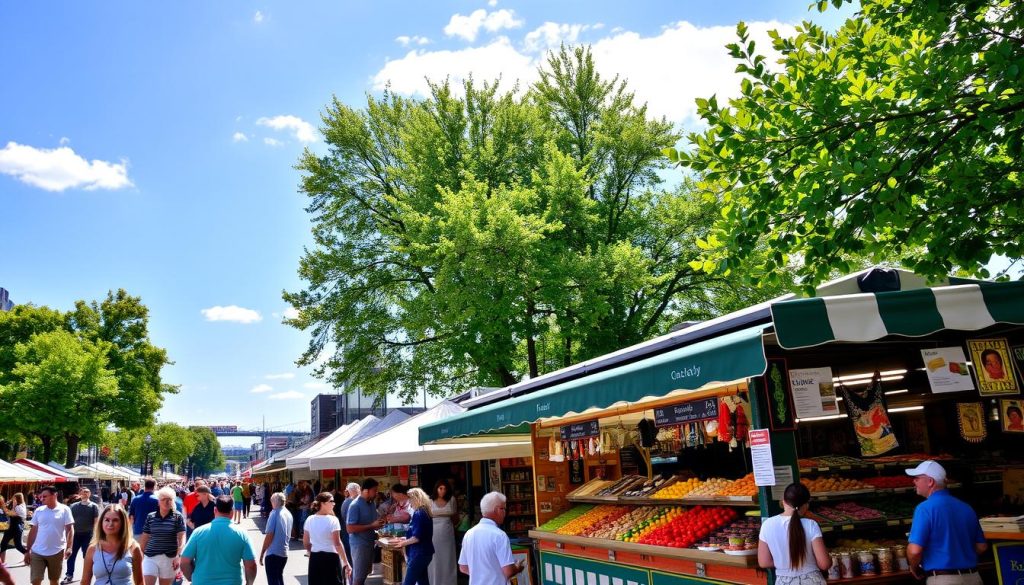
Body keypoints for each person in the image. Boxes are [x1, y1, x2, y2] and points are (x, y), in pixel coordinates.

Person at [905, 460, 986, 583]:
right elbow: (982, 546)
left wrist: (914, 568)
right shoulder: (966, 507)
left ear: (930, 482)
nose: (913, 481)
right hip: (973, 577)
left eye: (917, 478)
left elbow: (914, 551)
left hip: (944, 579)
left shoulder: (924, 508)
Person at [757, 483, 831, 584]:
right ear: (806, 505)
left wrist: (784, 564)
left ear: (783, 502)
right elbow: (824, 564)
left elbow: (764, 562)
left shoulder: (767, 525)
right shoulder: (811, 525)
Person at [180, 496, 257, 585]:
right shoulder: (242, 534)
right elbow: (251, 565)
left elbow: (184, 562)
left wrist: (192, 578)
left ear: (215, 510)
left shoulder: (198, 532)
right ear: (232, 512)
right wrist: (249, 583)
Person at [458, 492, 524, 585]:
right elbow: (508, 571)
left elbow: (463, 567)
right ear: (497, 510)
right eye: (504, 509)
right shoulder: (499, 535)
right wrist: (517, 568)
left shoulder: (469, 534)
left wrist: (481, 574)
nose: (505, 512)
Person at [80, 504, 143, 585]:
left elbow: (140, 582)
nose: (110, 524)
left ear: (123, 523)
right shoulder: (93, 548)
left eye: (115, 520)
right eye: (107, 520)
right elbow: (85, 581)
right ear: (101, 522)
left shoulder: (133, 547)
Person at [26, 485, 75, 585]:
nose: (41, 498)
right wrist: (27, 550)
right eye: (40, 497)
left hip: (57, 551)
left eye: (44, 496)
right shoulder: (39, 511)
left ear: (54, 495)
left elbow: (70, 529)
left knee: (54, 581)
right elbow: (33, 531)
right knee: (35, 580)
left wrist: (69, 547)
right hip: (37, 552)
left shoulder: (65, 509)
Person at [137, 487, 186, 585]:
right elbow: (145, 536)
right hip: (150, 556)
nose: (167, 502)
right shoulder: (151, 516)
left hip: (169, 558)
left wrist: (178, 556)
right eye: (164, 499)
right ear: (159, 502)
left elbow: (182, 537)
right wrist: (139, 554)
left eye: (170, 499)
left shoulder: (177, 517)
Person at [304, 492, 352, 585]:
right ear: (323, 503)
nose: (334, 503)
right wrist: (346, 563)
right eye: (331, 501)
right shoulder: (333, 520)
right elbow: (337, 543)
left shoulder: (309, 519)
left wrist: (312, 551)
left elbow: (306, 542)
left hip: (315, 558)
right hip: (330, 558)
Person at [347, 478, 385, 585]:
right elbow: (350, 528)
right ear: (366, 490)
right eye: (375, 490)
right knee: (358, 578)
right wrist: (372, 525)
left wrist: (380, 522)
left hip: (369, 544)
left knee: (364, 575)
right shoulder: (355, 505)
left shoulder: (371, 504)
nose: (376, 493)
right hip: (360, 545)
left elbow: (374, 521)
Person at [396, 488, 433, 585]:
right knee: (423, 581)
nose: (409, 503)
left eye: (410, 499)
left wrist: (401, 543)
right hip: (425, 553)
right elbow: (420, 534)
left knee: (408, 582)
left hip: (419, 553)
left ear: (415, 499)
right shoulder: (424, 512)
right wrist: (405, 539)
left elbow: (417, 537)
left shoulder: (419, 513)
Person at [66, 488, 102, 584]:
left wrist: (95, 536)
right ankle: (69, 575)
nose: (85, 494)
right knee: (71, 555)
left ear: (90, 494)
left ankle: (87, 577)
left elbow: (96, 522)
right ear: (79, 494)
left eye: (87, 492)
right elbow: (69, 522)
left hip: (88, 535)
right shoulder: (73, 506)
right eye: (83, 492)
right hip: (75, 535)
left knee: (87, 557)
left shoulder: (94, 506)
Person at [428, 480, 457, 585]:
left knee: (448, 557)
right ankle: (434, 581)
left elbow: (455, 516)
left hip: (447, 532)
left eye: (445, 488)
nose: (443, 491)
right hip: (433, 531)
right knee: (434, 557)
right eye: (440, 488)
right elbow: (427, 515)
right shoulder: (430, 500)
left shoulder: (452, 499)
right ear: (436, 489)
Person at [259, 493, 292, 585]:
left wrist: (262, 553)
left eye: (271, 501)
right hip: (284, 552)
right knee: (278, 578)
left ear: (275, 502)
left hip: (273, 553)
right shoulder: (288, 513)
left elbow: (269, 535)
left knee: (273, 580)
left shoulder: (275, 513)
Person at [1, 492, 29, 565]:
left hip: (15, 528)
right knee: (4, 544)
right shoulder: (20, 506)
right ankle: (2, 562)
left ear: (17, 499)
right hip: (13, 528)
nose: (12, 499)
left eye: (14, 498)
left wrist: (12, 505)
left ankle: (28, 556)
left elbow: (10, 513)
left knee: (17, 545)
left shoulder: (19, 507)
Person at [338, 483, 360, 569]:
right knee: (353, 561)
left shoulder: (346, 501)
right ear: (357, 490)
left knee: (350, 560)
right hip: (351, 535)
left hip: (346, 533)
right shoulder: (352, 502)